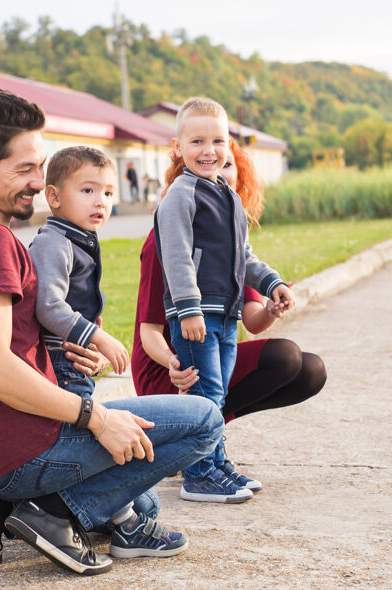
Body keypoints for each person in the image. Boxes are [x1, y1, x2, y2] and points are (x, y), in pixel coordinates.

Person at [0, 89, 225, 575]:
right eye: (22, 170)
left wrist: (68, 356)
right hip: (20, 446)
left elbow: (11, 344)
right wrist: (95, 417)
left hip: (3, 439)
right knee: (203, 421)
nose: (37, 182)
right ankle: (45, 513)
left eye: (39, 166)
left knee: (144, 505)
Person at [132, 137, 326, 493]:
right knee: (282, 358)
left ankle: (209, 453)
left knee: (309, 369)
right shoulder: (168, 237)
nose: (219, 170)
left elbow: (252, 321)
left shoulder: (230, 240)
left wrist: (271, 299)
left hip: (212, 351)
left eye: (227, 164)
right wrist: (174, 365)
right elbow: (149, 333)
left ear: (240, 174)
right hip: (170, 367)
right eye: (211, 163)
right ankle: (194, 457)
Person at [154, 97, 295, 503]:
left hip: (227, 315)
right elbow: (177, 256)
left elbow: (243, 257)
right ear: (178, 147)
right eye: (196, 141)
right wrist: (188, 309)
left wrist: (271, 284)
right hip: (197, 316)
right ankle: (197, 474)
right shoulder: (181, 195)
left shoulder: (228, 197)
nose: (209, 150)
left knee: (218, 395)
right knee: (206, 396)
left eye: (218, 141)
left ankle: (215, 463)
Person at [28, 145, 145, 532]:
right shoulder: (53, 243)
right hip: (59, 363)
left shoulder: (79, 238)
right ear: (54, 196)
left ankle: (84, 509)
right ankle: (115, 517)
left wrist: (91, 349)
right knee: (90, 435)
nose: (102, 201)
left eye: (108, 193)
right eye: (88, 191)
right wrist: (98, 336)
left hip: (74, 359)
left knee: (150, 498)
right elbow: (48, 306)